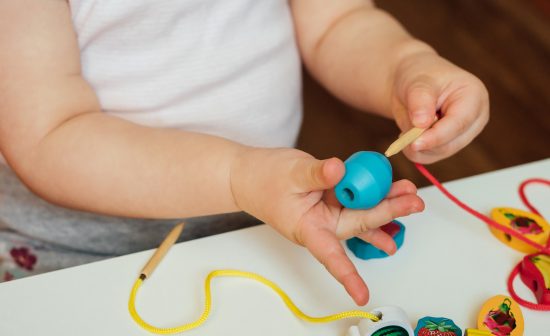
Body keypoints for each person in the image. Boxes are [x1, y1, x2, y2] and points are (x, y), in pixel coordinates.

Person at [0, 0, 489, 305]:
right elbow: (50, 136)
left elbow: (336, 20)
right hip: (75, 250)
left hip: (259, 210)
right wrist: (238, 174)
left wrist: (405, 66)